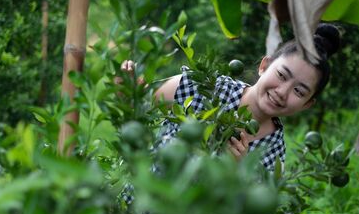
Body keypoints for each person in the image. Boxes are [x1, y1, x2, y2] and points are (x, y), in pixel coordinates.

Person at [120, 23, 341, 172]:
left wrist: (235, 173)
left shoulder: (274, 153)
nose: (282, 92)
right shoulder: (205, 87)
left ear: (307, 104)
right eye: (282, 75)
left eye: (299, 91)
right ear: (264, 66)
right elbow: (140, 111)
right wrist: (128, 91)